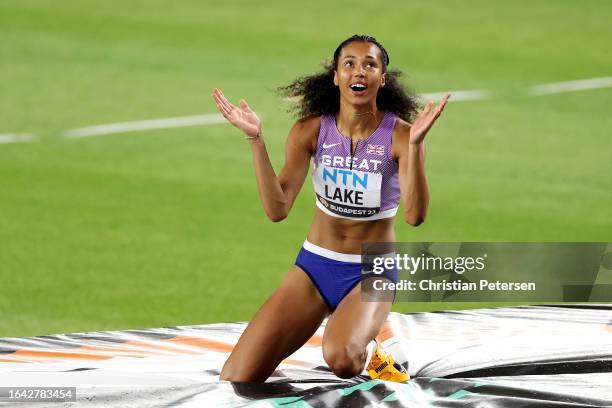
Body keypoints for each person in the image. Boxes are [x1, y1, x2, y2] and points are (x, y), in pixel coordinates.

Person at [212, 34, 449, 383]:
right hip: (315, 265)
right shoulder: (310, 131)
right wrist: (255, 140)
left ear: (382, 79)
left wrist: (416, 147)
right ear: (336, 76)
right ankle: (356, 340)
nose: (360, 71)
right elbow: (277, 210)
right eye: (349, 63)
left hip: (373, 271)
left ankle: (371, 355)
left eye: (370, 64)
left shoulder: (401, 136)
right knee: (237, 376)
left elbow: (415, 217)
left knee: (341, 357)